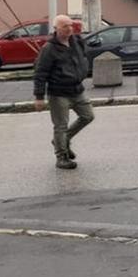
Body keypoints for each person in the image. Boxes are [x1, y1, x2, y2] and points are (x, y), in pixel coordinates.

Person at [33, 15, 93, 169]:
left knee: (88, 116)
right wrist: (39, 97)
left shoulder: (77, 41)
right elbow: (40, 73)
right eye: (65, 26)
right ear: (56, 29)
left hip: (77, 89)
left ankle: (62, 140)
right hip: (58, 92)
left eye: (70, 25)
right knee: (61, 126)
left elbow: (83, 57)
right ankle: (62, 157)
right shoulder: (49, 48)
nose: (69, 29)